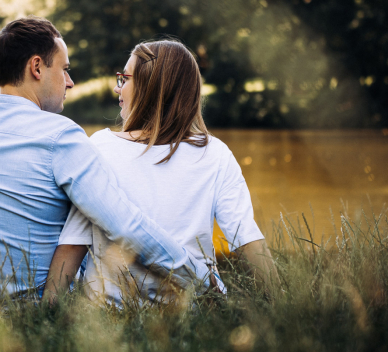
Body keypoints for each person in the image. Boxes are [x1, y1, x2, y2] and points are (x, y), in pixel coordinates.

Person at [0, 17, 214, 303]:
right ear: (36, 67)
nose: (70, 82)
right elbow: (125, 226)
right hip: (20, 313)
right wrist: (203, 281)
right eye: (65, 69)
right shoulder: (60, 136)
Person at [45, 40, 279, 305]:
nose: (116, 87)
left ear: (150, 86)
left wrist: (48, 307)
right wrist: (279, 305)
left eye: (124, 78)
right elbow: (246, 239)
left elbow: (74, 241)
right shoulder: (214, 153)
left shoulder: (100, 147)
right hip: (188, 310)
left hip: (111, 313)